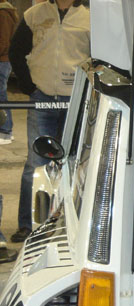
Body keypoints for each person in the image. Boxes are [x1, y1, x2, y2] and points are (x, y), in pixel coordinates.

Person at [8, 0, 90, 242]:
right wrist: (28, 86)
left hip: (75, 100)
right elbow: (16, 52)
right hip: (41, 97)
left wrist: (87, 90)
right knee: (36, 163)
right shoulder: (34, 14)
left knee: (74, 161)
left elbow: (100, 59)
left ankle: (71, 224)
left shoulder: (90, 18)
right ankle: (28, 226)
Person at [0, 0, 18, 145]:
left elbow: (4, 42)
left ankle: (5, 131)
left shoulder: (3, 14)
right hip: (3, 60)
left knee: (1, 96)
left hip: (2, 61)